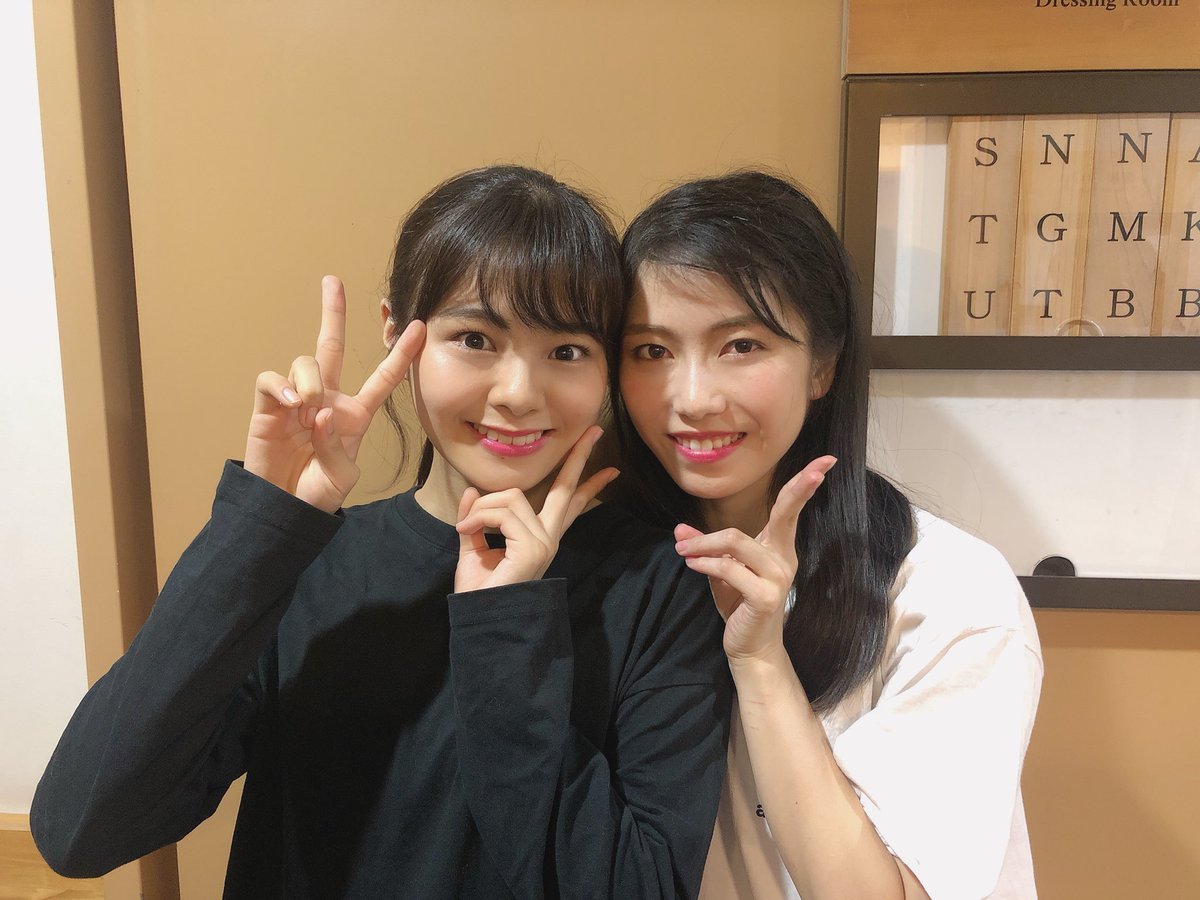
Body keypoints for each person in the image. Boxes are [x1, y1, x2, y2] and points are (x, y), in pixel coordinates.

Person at [32, 165, 732, 898]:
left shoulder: (662, 584)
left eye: (567, 351)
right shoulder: (310, 562)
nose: (519, 394)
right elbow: (82, 830)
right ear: (398, 335)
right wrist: (261, 527)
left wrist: (504, 629)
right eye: (474, 338)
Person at [612, 171, 1043, 899]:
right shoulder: (612, 571)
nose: (691, 399)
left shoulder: (948, 595)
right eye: (651, 351)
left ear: (823, 365)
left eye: (741, 345)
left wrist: (761, 661)